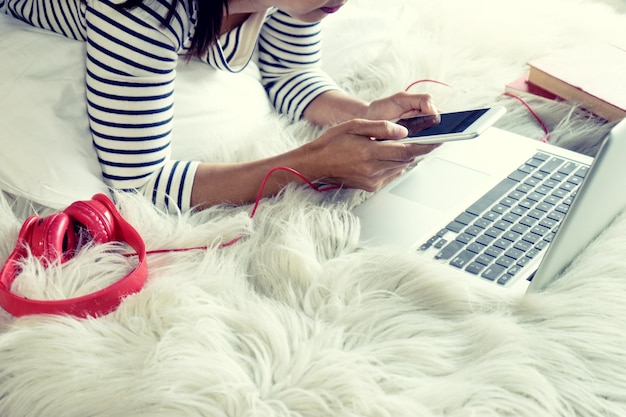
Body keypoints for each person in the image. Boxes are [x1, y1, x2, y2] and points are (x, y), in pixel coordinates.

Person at [2, 0, 439, 212]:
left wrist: (365, 115)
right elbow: (139, 183)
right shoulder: (144, 10)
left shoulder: (299, 2)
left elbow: (289, 73)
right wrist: (312, 162)